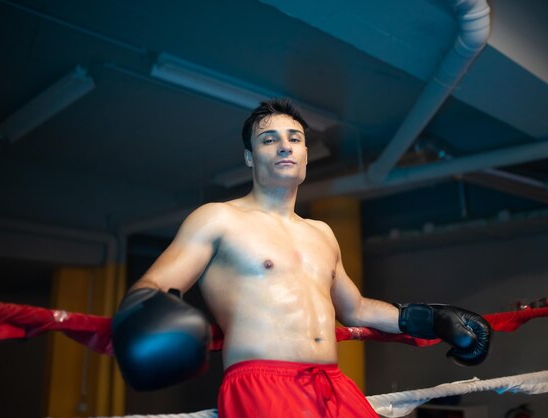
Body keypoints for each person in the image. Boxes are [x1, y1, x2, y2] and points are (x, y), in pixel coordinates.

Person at [111, 98, 492, 417]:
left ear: (306, 154)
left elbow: (356, 308)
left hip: (334, 384)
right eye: (268, 139)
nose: (284, 146)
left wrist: (435, 319)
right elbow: (154, 286)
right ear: (249, 157)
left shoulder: (322, 233)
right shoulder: (218, 218)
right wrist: (148, 312)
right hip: (263, 384)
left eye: (295, 138)